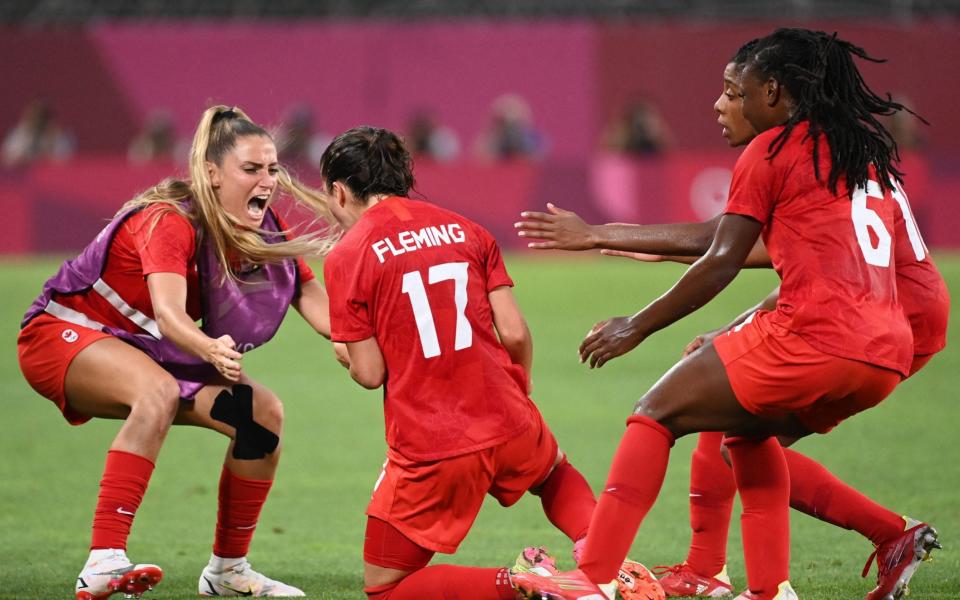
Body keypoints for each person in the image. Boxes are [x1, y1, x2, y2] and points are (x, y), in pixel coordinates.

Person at [511, 28, 942, 600]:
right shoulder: (860, 154)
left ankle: (593, 581)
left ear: (772, 92)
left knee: (656, 411)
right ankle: (767, 589)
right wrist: (607, 236)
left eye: (733, 92)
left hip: (818, 334)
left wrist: (634, 325)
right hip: (888, 348)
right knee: (741, 435)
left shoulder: (771, 149)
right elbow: (787, 247)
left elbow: (722, 258)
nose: (719, 104)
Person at [319, 126, 661, 600]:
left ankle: (527, 584)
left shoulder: (347, 255)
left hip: (433, 440)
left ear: (338, 191)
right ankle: (604, 564)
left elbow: (370, 372)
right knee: (553, 474)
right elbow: (515, 332)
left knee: (386, 589)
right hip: (503, 410)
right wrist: (520, 386)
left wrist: (344, 352)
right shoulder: (467, 229)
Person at [17, 105, 337, 599]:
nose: (267, 181)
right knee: (157, 392)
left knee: (263, 415)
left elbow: (305, 292)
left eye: (271, 168)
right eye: (251, 169)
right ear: (211, 173)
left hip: (148, 349)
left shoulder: (261, 224)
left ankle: (228, 573)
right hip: (65, 333)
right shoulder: (169, 220)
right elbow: (169, 315)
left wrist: (352, 341)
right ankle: (103, 560)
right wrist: (210, 347)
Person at [2, 98, 75, 167]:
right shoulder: (20, 133)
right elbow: (9, 158)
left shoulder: (60, 135)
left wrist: (51, 142)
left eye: (43, 117)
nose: (39, 121)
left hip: (51, 176)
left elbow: (65, 162)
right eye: (36, 116)